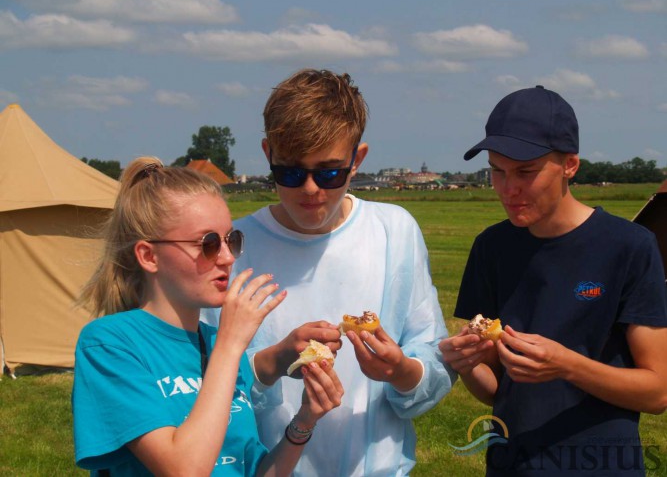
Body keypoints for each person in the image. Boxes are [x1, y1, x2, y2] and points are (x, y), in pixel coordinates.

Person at [201, 68, 455, 476]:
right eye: (289, 172)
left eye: (330, 172)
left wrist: (400, 370)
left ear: (359, 159)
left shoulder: (394, 232)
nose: (310, 189)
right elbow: (202, 383)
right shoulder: (234, 246)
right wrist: (273, 360)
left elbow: (433, 360)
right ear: (268, 154)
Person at [439, 86, 667, 475]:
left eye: (526, 172)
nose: (508, 189)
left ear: (570, 165)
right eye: (497, 170)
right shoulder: (491, 248)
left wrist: (566, 366)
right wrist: (466, 365)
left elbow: (657, 391)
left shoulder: (629, 247)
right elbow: (496, 391)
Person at [72, 157, 343, 475]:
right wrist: (230, 345)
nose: (228, 258)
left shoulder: (217, 345)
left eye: (232, 240)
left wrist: (304, 421)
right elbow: (184, 469)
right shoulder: (109, 345)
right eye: (209, 244)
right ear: (149, 256)